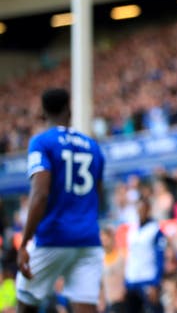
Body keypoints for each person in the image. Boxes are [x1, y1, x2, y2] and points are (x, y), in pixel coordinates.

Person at [16, 88, 105, 313]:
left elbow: (40, 194)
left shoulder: (42, 142)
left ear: (43, 113)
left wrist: (25, 242)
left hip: (53, 237)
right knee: (85, 306)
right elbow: (99, 196)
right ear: (69, 110)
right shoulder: (93, 146)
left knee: (26, 302)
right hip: (88, 239)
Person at [124, 197, 166, 313]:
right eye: (138, 208)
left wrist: (156, 283)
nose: (140, 211)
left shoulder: (155, 229)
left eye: (143, 208)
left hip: (148, 279)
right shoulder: (132, 230)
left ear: (148, 209)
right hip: (132, 280)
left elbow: (160, 257)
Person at [100, 227, 126, 313]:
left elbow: (124, 278)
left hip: (119, 301)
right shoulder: (101, 259)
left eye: (106, 240)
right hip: (107, 303)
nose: (104, 243)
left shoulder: (121, 256)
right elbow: (102, 284)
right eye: (102, 240)